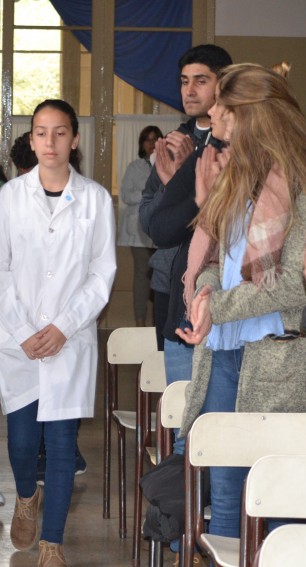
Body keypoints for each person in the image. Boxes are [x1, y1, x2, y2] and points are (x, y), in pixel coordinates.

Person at [175, 63, 306, 542]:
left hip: (276, 359)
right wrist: (207, 291)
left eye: (226, 112)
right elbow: (217, 259)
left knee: (277, 494)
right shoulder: (239, 176)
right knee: (226, 490)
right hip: (224, 354)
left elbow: (295, 284)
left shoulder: (298, 184)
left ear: (256, 117)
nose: (216, 119)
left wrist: (219, 304)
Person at [0, 99, 116, 566]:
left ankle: (52, 544)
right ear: (31, 139)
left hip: (70, 340)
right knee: (21, 444)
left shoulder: (96, 199)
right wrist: (24, 331)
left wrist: (63, 326)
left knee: (61, 443)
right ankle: (26, 496)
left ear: (74, 139)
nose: (50, 142)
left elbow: (102, 273)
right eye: (42, 132)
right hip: (19, 344)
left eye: (60, 133)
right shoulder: (10, 197)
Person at [140, 45, 232, 459]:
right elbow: (153, 223)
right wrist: (172, 184)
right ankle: (184, 512)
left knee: (223, 424)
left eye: (201, 80)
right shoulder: (172, 142)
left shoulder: (238, 146)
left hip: (228, 296)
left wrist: (189, 184)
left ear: (224, 84)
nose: (190, 90)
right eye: (184, 81)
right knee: (182, 417)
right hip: (173, 288)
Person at [118, 125, 162, 327]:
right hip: (138, 231)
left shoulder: (168, 165)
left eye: (156, 139)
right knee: (141, 276)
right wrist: (147, 194)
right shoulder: (134, 167)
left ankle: (156, 325)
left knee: (160, 279)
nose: (152, 144)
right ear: (141, 144)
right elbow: (126, 195)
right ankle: (140, 322)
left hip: (162, 231)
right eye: (148, 139)